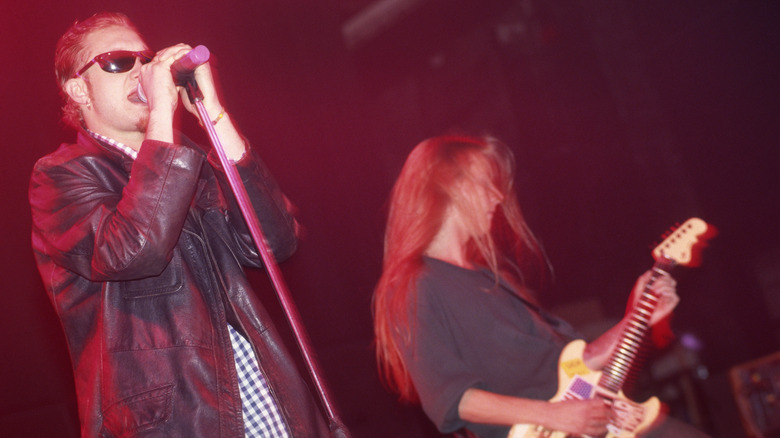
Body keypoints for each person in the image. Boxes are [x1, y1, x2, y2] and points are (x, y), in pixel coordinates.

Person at [30, 12, 329, 438]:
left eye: (146, 58)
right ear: (79, 88)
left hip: (263, 405)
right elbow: (134, 250)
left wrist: (216, 113)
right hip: (172, 422)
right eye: (119, 61)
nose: (142, 70)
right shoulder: (60, 176)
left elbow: (273, 242)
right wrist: (162, 115)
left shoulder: (191, 163)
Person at [372, 135, 711, 437]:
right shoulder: (416, 282)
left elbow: (578, 362)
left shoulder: (496, 280)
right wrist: (555, 415)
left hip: (593, 417)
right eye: (486, 182)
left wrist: (639, 314)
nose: (498, 195)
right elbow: (450, 399)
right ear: (450, 185)